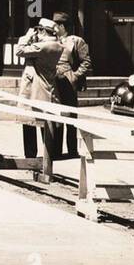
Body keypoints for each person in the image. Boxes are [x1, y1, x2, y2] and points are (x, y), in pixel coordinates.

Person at [17, 17, 63, 159]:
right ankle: (48, 159)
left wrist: (27, 36)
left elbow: (19, 51)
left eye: (38, 30)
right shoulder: (56, 45)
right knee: (45, 126)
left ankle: (31, 159)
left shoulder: (44, 46)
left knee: (30, 124)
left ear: (42, 31)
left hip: (34, 92)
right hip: (46, 90)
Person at [52, 11, 91, 159]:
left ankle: (72, 150)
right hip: (54, 80)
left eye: (56, 24)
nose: (54, 27)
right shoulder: (51, 39)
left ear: (62, 25)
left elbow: (86, 62)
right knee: (56, 115)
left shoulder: (76, 41)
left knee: (70, 115)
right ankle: (56, 151)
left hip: (68, 80)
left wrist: (75, 76)